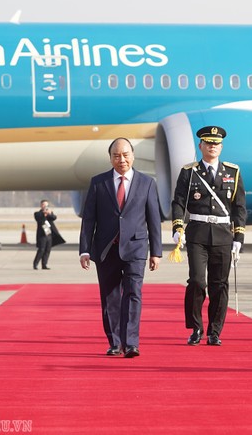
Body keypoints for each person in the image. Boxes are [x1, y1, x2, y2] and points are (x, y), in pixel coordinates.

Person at [79, 137, 162, 358]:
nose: (121, 159)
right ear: (110, 158)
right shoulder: (98, 183)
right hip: (106, 249)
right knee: (110, 297)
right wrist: (85, 249)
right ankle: (115, 342)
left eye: (125, 155)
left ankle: (132, 342)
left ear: (132, 156)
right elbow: (89, 219)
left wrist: (156, 251)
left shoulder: (147, 183)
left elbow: (154, 219)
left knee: (134, 293)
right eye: (116, 155)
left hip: (135, 248)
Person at [172, 126, 247, 346]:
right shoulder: (189, 171)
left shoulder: (232, 172)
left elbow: (239, 206)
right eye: (208, 143)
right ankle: (196, 328)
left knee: (219, 284)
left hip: (223, 234)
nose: (212, 147)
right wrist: (178, 227)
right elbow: (178, 201)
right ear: (201, 146)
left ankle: (215, 331)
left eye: (216, 144)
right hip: (197, 232)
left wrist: (238, 237)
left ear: (221, 147)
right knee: (196, 281)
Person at [33, 199, 65, 270]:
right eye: (44, 205)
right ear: (41, 205)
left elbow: (54, 218)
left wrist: (49, 213)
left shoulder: (49, 213)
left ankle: (44, 264)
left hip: (49, 234)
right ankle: (35, 264)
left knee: (47, 250)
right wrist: (44, 214)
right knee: (41, 249)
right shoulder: (37, 213)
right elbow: (39, 219)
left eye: (46, 205)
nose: (45, 206)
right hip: (42, 235)